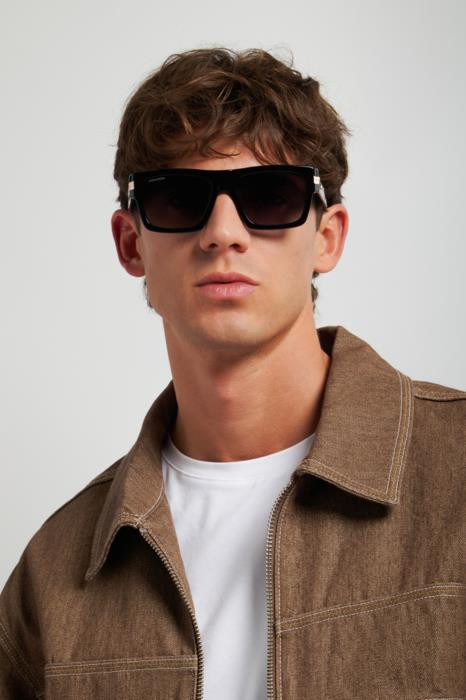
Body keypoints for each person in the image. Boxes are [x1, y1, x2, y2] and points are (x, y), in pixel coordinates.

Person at [1, 47, 464, 700]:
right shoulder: (55, 571)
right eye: (178, 199)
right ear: (131, 242)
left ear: (327, 237)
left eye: (269, 197)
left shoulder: (455, 469)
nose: (223, 233)